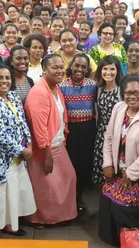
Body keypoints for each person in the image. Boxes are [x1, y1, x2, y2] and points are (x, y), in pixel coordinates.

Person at [98, 74, 139, 247]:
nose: (132, 96)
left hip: (138, 173)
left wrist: (131, 175)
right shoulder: (119, 108)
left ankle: (133, 241)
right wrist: (107, 163)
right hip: (116, 170)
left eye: (137, 92)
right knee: (108, 201)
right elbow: (109, 137)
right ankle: (113, 239)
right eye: (127, 92)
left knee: (127, 207)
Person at [0, 64, 36, 238]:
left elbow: (23, 122)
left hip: (17, 157)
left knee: (13, 191)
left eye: (7, 77)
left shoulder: (13, 97)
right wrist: (21, 149)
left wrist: (29, 144)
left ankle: (9, 224)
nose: (4, 81)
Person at [24, 54, 78, 227]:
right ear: (44, 69)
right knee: (46, 186)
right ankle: (39, 218)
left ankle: (61, 215)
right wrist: (47, 155)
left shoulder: (55, 87)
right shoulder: (39, 92)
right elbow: (39, 129)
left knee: (68, 178)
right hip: (44, 149)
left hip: (58, 143)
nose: (60, 70)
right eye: (54, 67)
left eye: (61, 67)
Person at [59, 53, 98, 215]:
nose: (80, 69)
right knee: (69, 166)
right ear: (71, 66)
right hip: (70, 131)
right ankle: (68, 200)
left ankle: (79, 198)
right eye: (77, 65)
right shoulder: (61, 86)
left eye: (83, 66)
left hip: (88, 130)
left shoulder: (93, 85)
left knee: (83, 165)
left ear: (88, 69)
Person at [92, 56, 123, 184]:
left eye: (112, 69)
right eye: (105, 69)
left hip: (119, 134)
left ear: (117, 71)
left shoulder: (122, 90)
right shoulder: (99, 89)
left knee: (117, 167)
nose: (108, 72)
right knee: (103, 167)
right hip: (102, 134)